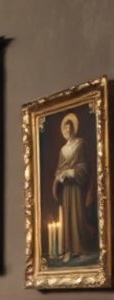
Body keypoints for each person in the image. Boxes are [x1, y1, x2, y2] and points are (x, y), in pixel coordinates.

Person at [52, 112, 94, 262]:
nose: (67, 130)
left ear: (74, 129)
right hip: (66, 188)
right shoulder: (62, 150)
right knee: (67, 216)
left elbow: (85, 166)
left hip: (77, 186)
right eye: (65, 128)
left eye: (70, 127)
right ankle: (68, 249)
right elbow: (59, 169)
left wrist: (72, 172)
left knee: (77, 214)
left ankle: (80, 248)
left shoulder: (81, 143)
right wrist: (60, 176)